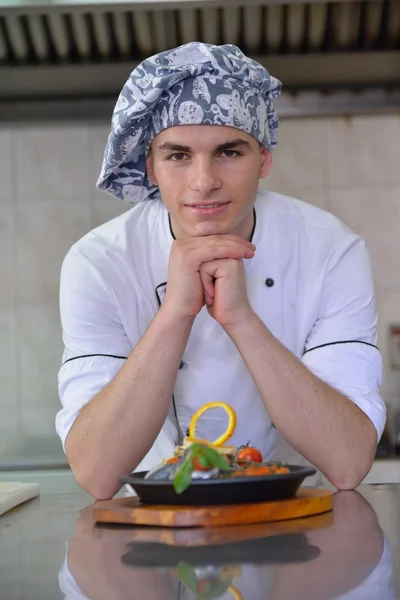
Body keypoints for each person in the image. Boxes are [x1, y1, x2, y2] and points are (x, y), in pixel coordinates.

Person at [56, 42, 386, 500]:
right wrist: (175, 312)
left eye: (229, 152)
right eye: (178, 156)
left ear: (264, 159)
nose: (204, 180)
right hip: (151, 535)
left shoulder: (330, 250)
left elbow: (348, 462)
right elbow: (96, 472)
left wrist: (241, 320)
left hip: (295, 536)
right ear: (150, 166)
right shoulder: (99, 263)